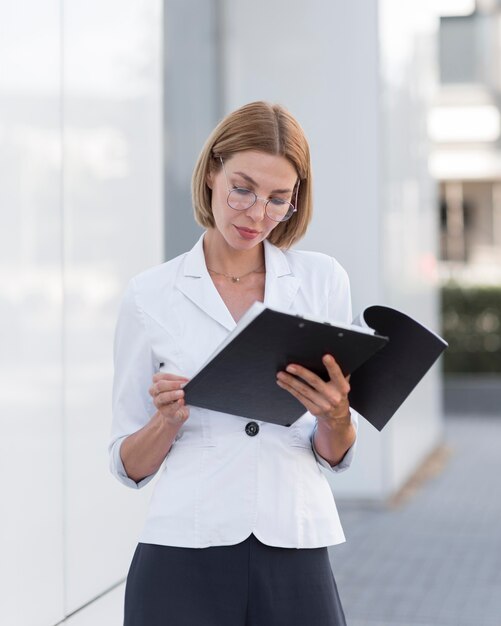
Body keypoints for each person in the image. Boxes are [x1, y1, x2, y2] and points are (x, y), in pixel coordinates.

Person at [109, 101, 358, 626]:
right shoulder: (150, 295)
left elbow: (330, 454)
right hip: (183, 548)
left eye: (277, 200)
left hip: (294, 543)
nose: (256, 214)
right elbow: (128, 465)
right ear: (212, 173)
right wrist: (166, 421)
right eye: (242, 188)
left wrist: (337, 418)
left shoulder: (322, 281)